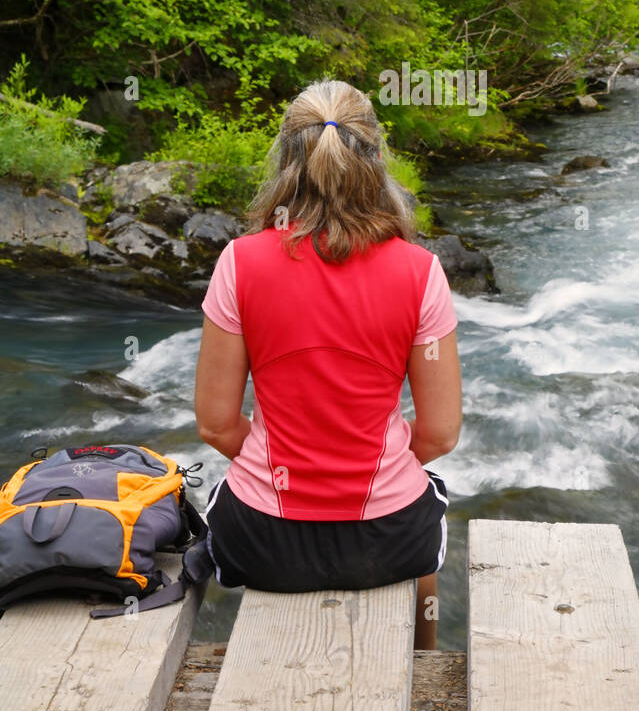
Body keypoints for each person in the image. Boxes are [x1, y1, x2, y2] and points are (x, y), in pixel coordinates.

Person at [194, 79, 462, 650]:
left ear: (287, 160)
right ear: (376, 159)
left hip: (262, 540)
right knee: (427, 506)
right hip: (387, 540)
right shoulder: (421, 272)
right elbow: (439, 434)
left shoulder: (239, 263)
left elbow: (217, 424)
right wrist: (376, 466)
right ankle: (426, 662)